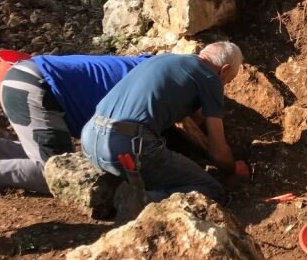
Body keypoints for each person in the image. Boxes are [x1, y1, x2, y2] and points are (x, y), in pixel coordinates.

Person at [0, 53, 152, 217]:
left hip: (26, 77)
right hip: (37, 87)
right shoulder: (157, 89)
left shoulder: (149, 68)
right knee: (56, 174)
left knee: (63, 159)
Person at [81, 41, 246, 207]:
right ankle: (141, 201)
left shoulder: (165, 60)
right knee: (211, 189)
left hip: (90, 139)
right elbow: (218, 153)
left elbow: (185, 122)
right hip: (128, 147)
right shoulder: (210, 78)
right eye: (229, 80)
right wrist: (233, 168)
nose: (225, 85)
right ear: (224, 70)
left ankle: (115, 194)